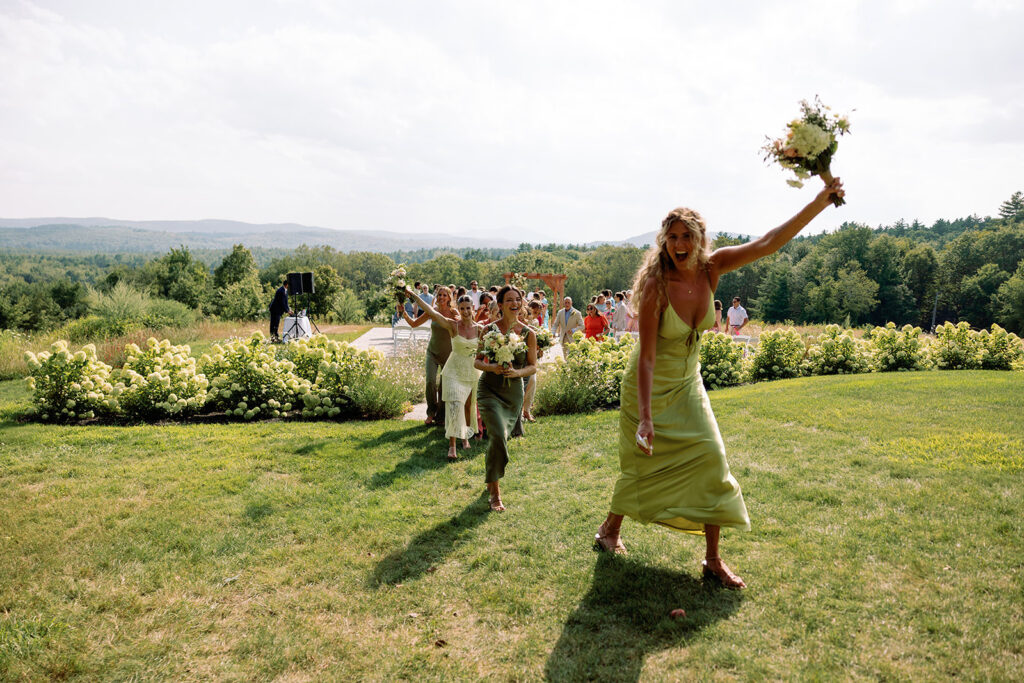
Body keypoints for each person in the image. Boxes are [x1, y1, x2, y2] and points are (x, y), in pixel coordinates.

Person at [594, 178, 846, 591]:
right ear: (664, 241)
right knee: (643, 463)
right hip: (649, 386)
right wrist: (644, 417)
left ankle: (712, 559)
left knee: (712, 456)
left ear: (699, 239)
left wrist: (819, 202)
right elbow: (647, 356)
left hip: (688, 383)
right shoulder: (658, 286)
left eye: (687, 236)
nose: (679, 243)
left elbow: (768, 242)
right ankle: (610, 529)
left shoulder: (713, 268)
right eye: (672, 237)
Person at [475, 286, 538, 512]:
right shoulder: (488, 330)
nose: (514, 303)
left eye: (518, 299)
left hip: (512, 394)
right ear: (499, 304)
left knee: (498, 439)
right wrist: (492, 367)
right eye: (509, 300)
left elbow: (533, 366)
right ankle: (495, 494)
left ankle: (491, 476)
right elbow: (477, 362)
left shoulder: (529, 333)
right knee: (498, 436)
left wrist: (517, 373)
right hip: (489, 390)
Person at [406, 288, 483, 460]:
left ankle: (465, 438)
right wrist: (413, 295)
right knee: (455, 405)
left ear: (473, 309)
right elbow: (431, 311)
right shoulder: (452, 325)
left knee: (467, 406)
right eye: (462, 308)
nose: (465, 312)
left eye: (468, 308)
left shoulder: (481, 329)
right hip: (453, 370)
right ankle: (452, 446)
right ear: (459, 309)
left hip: (471, 371)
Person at [398, 286, 457, 427]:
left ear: (449, 297)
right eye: (439, 295)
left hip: (449, 355)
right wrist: (404, 313)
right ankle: (431, 412)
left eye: (444, 295)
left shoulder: (454, 312)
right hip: (432, 352)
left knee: (444, 387)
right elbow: (414, 324)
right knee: (430, 381)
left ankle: (441, 416)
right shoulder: (433, 311)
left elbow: (464, 324)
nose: (441, 297)